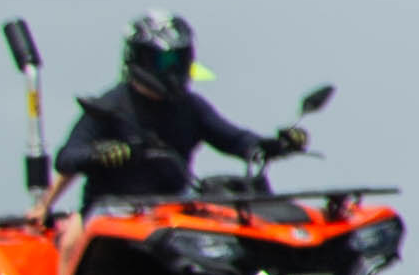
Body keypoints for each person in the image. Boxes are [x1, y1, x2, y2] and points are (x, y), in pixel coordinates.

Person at [52, 15, 306, 203]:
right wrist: (98, 153)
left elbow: (236, 140)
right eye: (163, 61)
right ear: (138, 58)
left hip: (173, 212)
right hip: (113, 214)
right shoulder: (108, 107)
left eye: (178, 60)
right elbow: (67, 157)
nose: (172, 70)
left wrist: (276, 145)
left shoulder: (190, 107)